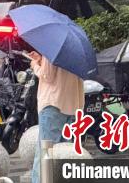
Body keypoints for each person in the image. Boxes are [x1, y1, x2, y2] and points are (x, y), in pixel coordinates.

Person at [28, 50, 84, 183]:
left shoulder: (52, 47)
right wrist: (41, 60)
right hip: (72, 105)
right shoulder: (77, 50)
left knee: (45, 154)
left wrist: (35, 65)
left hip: (53, 104)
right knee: (64, 155)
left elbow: (47, 75)